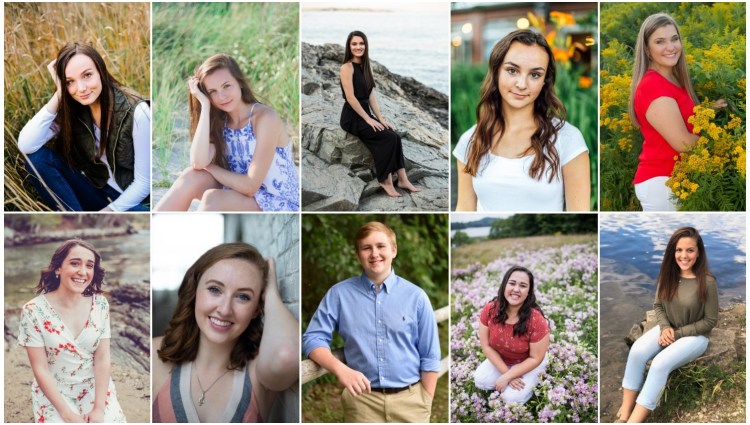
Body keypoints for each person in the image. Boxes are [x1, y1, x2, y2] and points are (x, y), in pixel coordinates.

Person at [302, 222, 440, 422]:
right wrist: (341, 370)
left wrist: (425, 401)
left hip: (412, 403)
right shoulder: (339, 295)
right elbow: (313, 338)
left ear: (393, 250)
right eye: (366, 248)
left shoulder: (416, 297)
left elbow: (430, 355)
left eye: (380, 246)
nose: (374, 253)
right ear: (358, 256)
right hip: (362, 403)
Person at [152, 243, 298, 423]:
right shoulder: (152, 355)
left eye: (243, 296)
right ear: (194, 291)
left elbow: (287, 356)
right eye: (215, 289)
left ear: (255, 309)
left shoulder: (257, 373)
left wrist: (271, 294)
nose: (225, 309)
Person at [454, 29, 590, 212]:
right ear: (496, 71)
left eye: (535, 75)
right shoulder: (470, 139)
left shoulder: (568, 139)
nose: (522, 84)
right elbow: (464, 209)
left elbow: (580, 215)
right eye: (512, 70)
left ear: (545, 81)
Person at [154, 54, 299, 211]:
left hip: (278, 200)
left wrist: (211, 167)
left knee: (212, 199)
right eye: (212, 91)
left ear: (240, 83)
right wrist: (205, 106)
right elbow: (197, 162)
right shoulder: (219, 120)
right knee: (191, 177)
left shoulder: (265, 118)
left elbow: (251, 186)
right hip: (238, 191)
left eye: (226, 86)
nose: (221, 96)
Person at [18, 42, 150, 212]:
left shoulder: (137, 112)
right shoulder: (72, 106)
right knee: (36, 160)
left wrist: (109, 212)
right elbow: (26, 145)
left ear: (100, 71)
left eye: (87, 75)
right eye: (69, 81)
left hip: (130, 200)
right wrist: (60, 93)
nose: (81, 89)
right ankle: (77, 221)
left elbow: (143, 183)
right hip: (94, 189)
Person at [18, 239, 127, 423]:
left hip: (94, 387)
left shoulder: (100, 304)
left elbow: (102, 358)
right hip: (54, 391)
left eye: (89, 266)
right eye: (75, 263)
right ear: (58, 268)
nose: (83, 272)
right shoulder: (33, 311)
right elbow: (40, 368)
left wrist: (99, 408)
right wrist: (68, 415)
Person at [616, 227, 718, 422]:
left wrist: (676, 334)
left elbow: (710, 321)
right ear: (672, 252)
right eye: (679, 250)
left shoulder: (707, 282)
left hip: (695, 336)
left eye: (690, 250)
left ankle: (634, 420)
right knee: (637, 351)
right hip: (668, 328)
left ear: (699, 252)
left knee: (659, 364)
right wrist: (665, 328)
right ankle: (626, 407)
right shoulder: (667, 275)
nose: (684, 256)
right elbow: (658, 306)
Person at [629, 14, 726, 211]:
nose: (671, 47)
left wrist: (710, 109)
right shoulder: (653, 86)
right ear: (647, 49)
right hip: (663, 184)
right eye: (660, 42)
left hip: (675, 180)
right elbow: (683, 143)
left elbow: (681, 117)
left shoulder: (671, 79)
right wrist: (723, 141)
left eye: (674, 39)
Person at [339, 31, 421, 198]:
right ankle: (385, 180)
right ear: (349, 46)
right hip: (351, 116)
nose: (358, 47)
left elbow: (370, 96)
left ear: (366, 45)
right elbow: (350, 98)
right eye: (354, 44)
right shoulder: (346, 67)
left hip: (364, 113)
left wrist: (381, 119)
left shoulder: (366, 67)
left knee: (395, 136)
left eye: (361, 43)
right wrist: (368, 119)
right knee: (387, 138)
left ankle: (403, 180)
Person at [473, 266, 550, 404]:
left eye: (523, 286)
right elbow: (486, 346)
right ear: (504, 285)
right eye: (512, 283)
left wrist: (507, 377)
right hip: (503, 358)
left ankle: (533, 380)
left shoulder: (536, 320)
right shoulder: (490, 309)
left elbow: (535, 358)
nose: (516, 289)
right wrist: (507, 375)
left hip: (529, 362)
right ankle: (510, 377)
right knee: (480, 380)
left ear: (528, 292)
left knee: (511, 399)